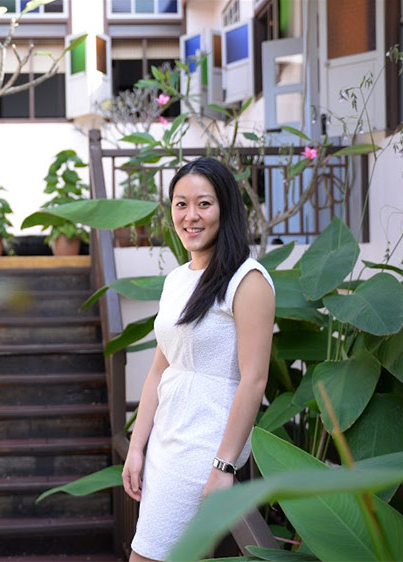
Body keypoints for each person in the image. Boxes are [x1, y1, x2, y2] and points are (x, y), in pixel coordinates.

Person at [123, 157, 276, 562]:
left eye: (204, 204)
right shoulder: (177, 280)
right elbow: (160, 369)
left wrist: (223, 466)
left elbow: (254, 380)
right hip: (167, 438)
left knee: (146, 557)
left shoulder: (248, 280)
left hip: (204, 445)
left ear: (225, 208)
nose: (190, 216)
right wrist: (137, 447)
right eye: (181, 204)